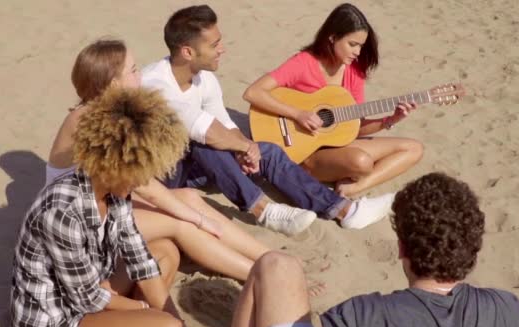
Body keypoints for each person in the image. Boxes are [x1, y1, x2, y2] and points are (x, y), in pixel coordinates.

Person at [142, 5, 396, 235]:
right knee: (204, 140)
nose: (222, 49)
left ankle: (344, 210)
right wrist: (243, 146)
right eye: (214, 44)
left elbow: (224, 122)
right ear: (188, 52)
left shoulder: (204, 78)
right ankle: (262, 210)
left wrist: (246, 148)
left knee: (269, 152)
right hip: (161, 173)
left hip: (197, 166)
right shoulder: (155, 85)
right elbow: (205, 129)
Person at [46, 39, 270, 281]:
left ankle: (269, 258)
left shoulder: (106, 110)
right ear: (113, 83)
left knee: (189, 197)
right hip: (80, 223)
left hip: (106, 204)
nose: (139, 75)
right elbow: (144, 186)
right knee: (182, 223)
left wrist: (191, 211)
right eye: (132, 71)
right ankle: (260, 275)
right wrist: (197, 219)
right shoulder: (91, 121)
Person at [228, 173, 519, 327]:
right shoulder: (507, 309)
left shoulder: (362, 318)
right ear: (472, 247)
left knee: (276, 265)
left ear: (401, 248)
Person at [10, 82, 191, 327]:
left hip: (90, 289)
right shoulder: (62, 212)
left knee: (165, 253)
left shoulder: (116, 191)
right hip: (55, 323)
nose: (141, 182)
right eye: (139, 173)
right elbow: (88, 299)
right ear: (115, 164)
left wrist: (174, 319)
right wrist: (144, 310)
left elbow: (140, 258)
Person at [243, 3, 424, 197]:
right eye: (352, 44)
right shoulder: (304, 63)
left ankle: (354, 187)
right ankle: (323, 172)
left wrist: (390, 120)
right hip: (302, 151)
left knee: (414, 149)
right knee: (361, 163)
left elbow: (356, 128)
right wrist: (298, 114)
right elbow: (253, 93)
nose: (358, 52)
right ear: (332, 37)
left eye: (361, 46)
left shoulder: (354, 72)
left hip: (336, 145)